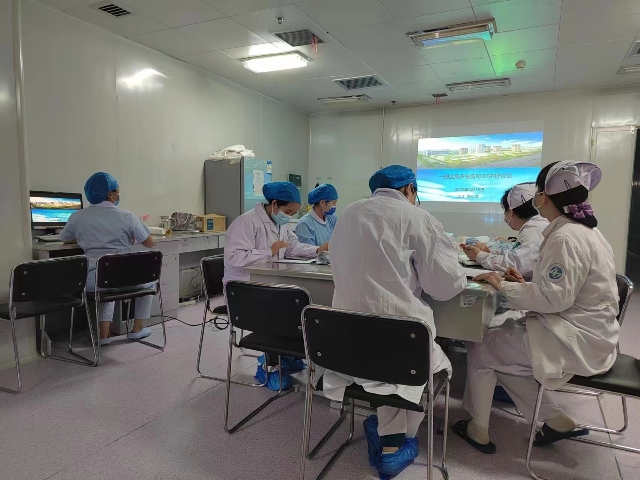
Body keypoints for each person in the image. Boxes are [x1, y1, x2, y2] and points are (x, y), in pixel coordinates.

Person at [456, 161, 619, 455]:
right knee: (499, 351)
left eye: (539, 190)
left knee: (481, 345)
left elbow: (553, 299)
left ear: (545, 196)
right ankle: (555, 420)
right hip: (587, 331)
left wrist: (502, 285)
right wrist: (521, 284)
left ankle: (477, 429)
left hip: (574, 339)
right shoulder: (582, 231)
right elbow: (558, 290)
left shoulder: (565, 237)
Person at [327, 165, 467, 478]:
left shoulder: (349, 213)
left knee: (387, 363)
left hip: (345, 343)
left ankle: (389, 436)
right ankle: (398, 443)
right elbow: (444, 286)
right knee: (432, 366)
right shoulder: (418, 217)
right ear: (410, 189)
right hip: (401, 344)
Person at [223, 181, 328, 390]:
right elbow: (233, 258)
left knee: (298, 306)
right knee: (284, 312)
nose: (289, 216)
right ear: (274, 204)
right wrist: (268, 251)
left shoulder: (280, 223)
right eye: (288, 212)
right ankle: (268, 366)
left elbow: (292, 247)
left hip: (266, 285)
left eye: (293, 213)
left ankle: (285, 356)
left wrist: (317, 249)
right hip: (243, 289)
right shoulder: (246, 222)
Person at [59, 172, 155, 346]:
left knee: (104, 284)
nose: (119, 194)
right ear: (110, 194)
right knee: (149, 281)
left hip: (92, 281)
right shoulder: (127, 216)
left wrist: (84, 236)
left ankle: (104, 334)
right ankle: (137, 329)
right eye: (117, 191)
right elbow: (149, 243)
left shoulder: (77, 216)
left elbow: (65, 238)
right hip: (124, 280)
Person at [461, 182, 548, 279]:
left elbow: (515, 265)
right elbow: (517, 253)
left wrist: (479, 256)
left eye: (504, 211)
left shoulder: (534, 230)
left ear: (511, 211)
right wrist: (489, 252)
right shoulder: (536, 225)